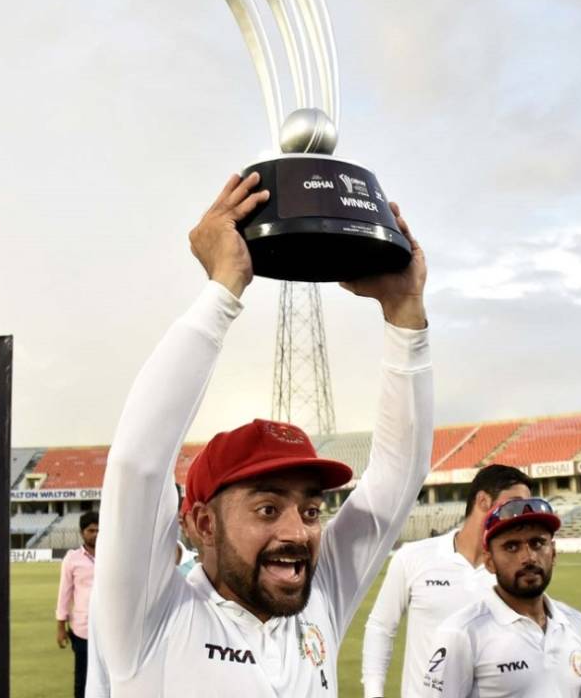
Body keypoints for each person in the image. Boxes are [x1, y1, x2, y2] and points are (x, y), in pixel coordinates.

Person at [92, 172, 432, 696]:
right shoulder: (149, 617)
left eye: (312, 510)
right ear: (203, 522)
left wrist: (404, 312)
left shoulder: (319, 601)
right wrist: (222, 290)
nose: (298, 532)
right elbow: (138, 464)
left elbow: (395, 481)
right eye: (268, 509)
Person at [362, 464, 533, 698]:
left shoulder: (513, 571)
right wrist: (373, 693)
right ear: (483, 501)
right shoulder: (413, 557)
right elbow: (381, 627)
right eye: (514, 504)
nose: (522, 514)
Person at [421, 498, 581, 697]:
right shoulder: (461, 632)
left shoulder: (577, 624)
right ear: (489, 561)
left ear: (554, 553)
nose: (529, 557)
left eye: (538, 543)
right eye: (512, 547)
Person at [57, 511, 99, 698]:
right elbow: (64, 594)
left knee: (109, 679)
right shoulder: (72, 558)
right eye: (91, 530)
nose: (96, 534)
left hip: (109, 630)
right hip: (82, 629)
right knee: (82, 678)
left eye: (99, 530)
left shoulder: (112, 557)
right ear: (82, 532)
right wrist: (60, 627)